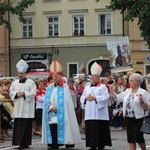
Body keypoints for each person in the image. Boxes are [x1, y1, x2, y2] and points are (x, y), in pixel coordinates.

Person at [42, 60, 81, 150]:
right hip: (51, 111)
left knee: (62, 125)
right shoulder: (49, 87)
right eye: (53, 76)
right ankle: (53, 143)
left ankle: (65, 141)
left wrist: (58, 107)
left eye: (57, 76)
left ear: (60, 76)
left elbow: (66, 101)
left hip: (62, 112)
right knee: (52, 126)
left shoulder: (65, 87)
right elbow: (46, 101)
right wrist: (51, 107)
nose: (55, 78)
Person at [80, 62, 112, 150]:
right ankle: (92, 145)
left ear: (98, 77)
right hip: (89, 112)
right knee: (90, 128)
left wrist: (95, 97)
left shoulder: (102, 86)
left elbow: (106, 97)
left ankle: (101, 144)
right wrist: (86, 98)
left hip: (99, 113)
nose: (92, 77)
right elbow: (82, 97)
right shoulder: (87, 87)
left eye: (94, 76)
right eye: (92, 76)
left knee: (99, 128)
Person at [115, 73, 150, 150]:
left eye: (131, 81)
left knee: (138, 137)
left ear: (137, 82)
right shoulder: (127, 91)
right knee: (130, 138)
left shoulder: (143, 92)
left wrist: (141, 101)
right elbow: (117, 97)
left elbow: (147, 107)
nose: (129, 82)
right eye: (129, 80)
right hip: (128, 117)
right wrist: (111, 89)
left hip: (139, 118)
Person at [9, 59, 36, 149]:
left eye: (22, 73)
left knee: (27, 126)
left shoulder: (31, 82)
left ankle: (26, 143)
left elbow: (33, 93)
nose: (20, 75)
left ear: (25, 73)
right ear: (18, 73)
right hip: (18, 107)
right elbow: (11, 92)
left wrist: (24, 93)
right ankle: (19, 143)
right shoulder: (14, 83)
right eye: (19, 73)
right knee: (19, 126)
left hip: (27, 108)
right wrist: (16, 94)